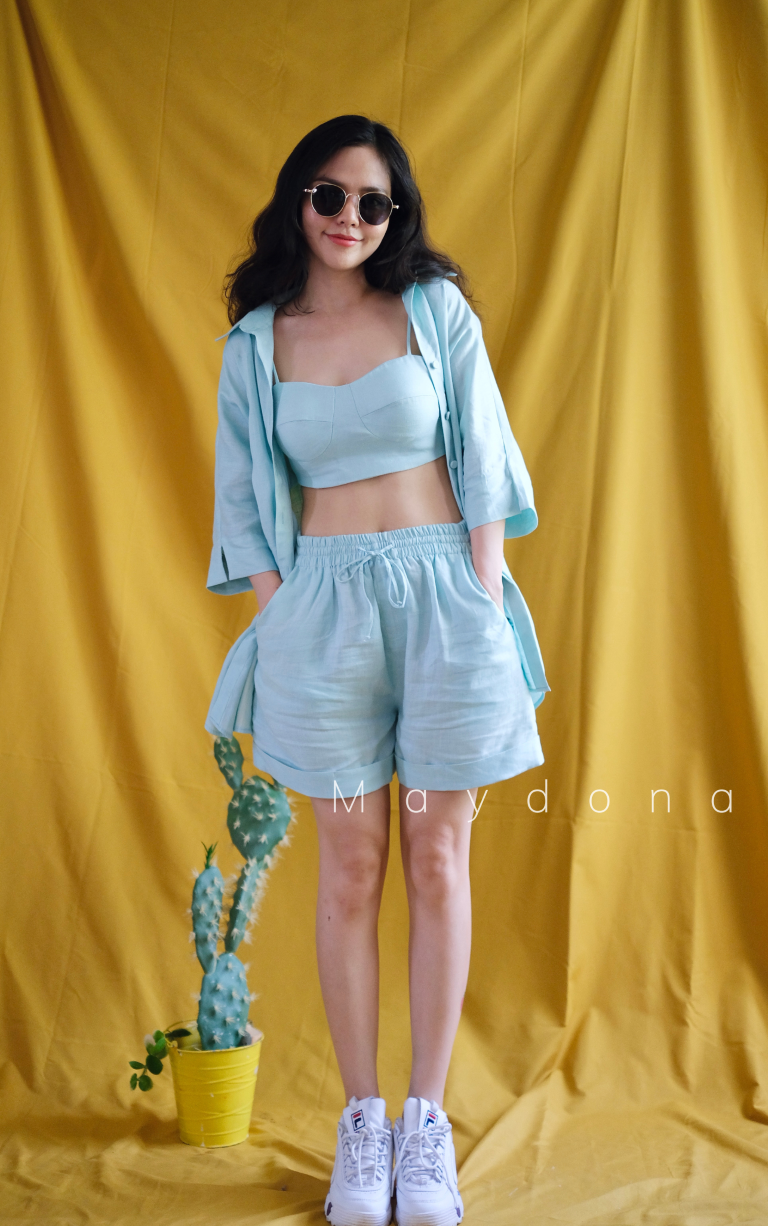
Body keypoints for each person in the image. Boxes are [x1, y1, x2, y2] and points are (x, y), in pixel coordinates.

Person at [205, 115, 550, 1226]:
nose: (349, 217)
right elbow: (244, 503)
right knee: (351, 867)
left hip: (448, 600)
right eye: (329, 195)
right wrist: (285, 616)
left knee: (438, 857)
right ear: (295, 200)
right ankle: (363, 1123)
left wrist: (484, 593)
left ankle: (425, 1123)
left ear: (394, 214)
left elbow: (485, 458)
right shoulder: (257, 342)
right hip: (323, 615)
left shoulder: (433, 309)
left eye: (372, 201)